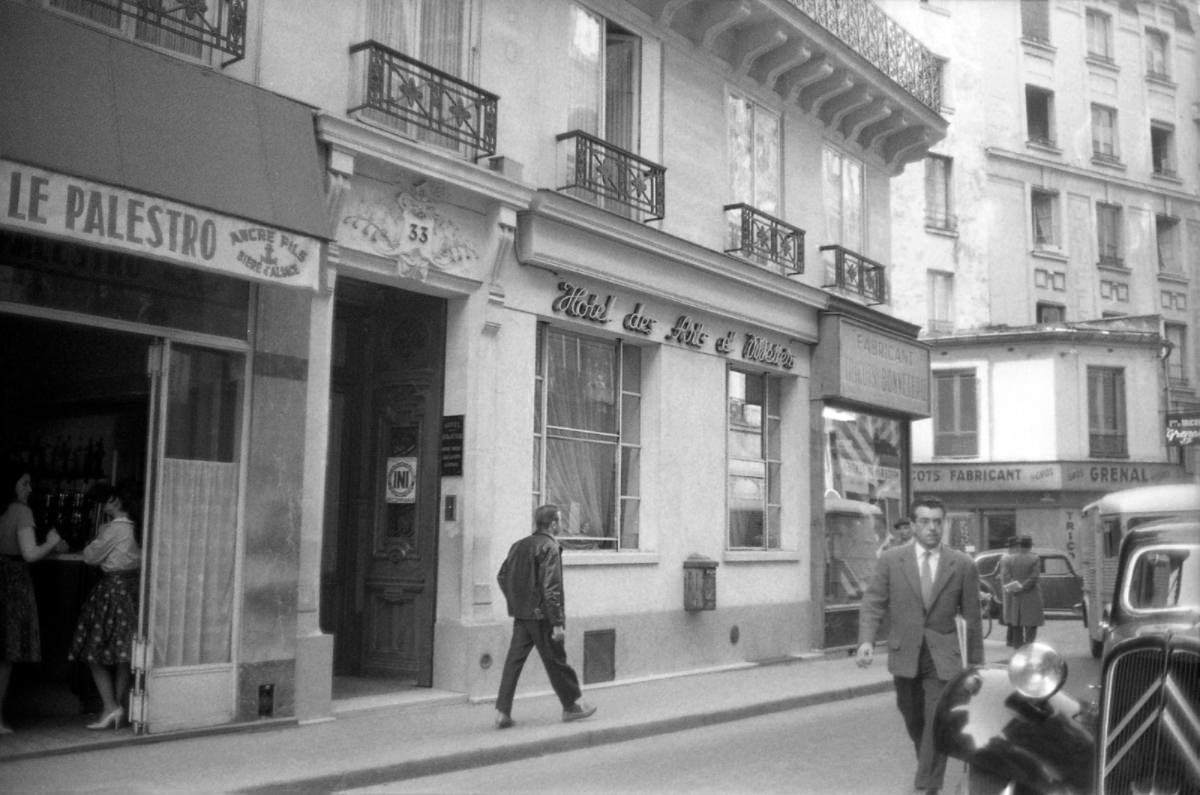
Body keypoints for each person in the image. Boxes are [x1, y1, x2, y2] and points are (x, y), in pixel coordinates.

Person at [856, 495, 984, 795]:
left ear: (944, 523)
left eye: (938, 521)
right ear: (912, 525)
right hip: (906, 653)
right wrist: (866, 641)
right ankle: (927, 765)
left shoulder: (962, 564)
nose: (932, 528)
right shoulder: (891, 560)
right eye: (925, 521)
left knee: (936, 719)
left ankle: (928, 784)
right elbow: (873, 602)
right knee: (914, 718)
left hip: (943, 656)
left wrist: (976, 667)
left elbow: (973, 620)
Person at [494, 504, 596, 729]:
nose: (560, 525)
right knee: (557, 661)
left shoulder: (518, 546)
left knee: (514, 661)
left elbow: (502, 576)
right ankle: (572, 706)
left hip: (523, 616)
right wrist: (557, 623)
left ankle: (502, 711)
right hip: (543, 617)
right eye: (559, 521)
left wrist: (518, 602)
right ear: (552, 524)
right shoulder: (550, 547)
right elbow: (552, 587)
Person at [67, 483, 141, 730]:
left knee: (93, 650)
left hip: (112, 589)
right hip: (133, 589)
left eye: (105, 501)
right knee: (124, 654)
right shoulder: (139, 525)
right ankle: (118, 707)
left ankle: (110, 706)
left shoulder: (114, 529)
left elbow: (90, 557)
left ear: (115, 502)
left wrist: (94, 538)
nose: (103, 506)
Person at [0, 466, 66, 734]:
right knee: (5, 654)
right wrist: (51, 542)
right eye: (25, 483)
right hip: (12, 582)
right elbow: (29, 553)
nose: (30, 489)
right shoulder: (21, 511)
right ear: (12, 484)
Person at [999, 535, 1044, 648]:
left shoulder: (1008, 559)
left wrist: (1016, 587)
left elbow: (1005, 576)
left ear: (1019, 545)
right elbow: (1034, 577)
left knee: (1016, 624)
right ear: (1030, 546)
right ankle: (1029, 648)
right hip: (1031, 596)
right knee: (1031, 625)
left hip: (1015, 596)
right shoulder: (1035, 559)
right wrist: (1023, 586)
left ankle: (1017, 649)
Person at [997, 536, 1020, 647]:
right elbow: (1006, 576)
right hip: (1010, 590)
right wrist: (1016, 586)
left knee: (1012, 615)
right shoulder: (1007, 558)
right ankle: (1013, 640)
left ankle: (1010, 639)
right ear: (1013, 547)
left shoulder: (1009, 557)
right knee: (1013, 615)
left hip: (1010, 589)